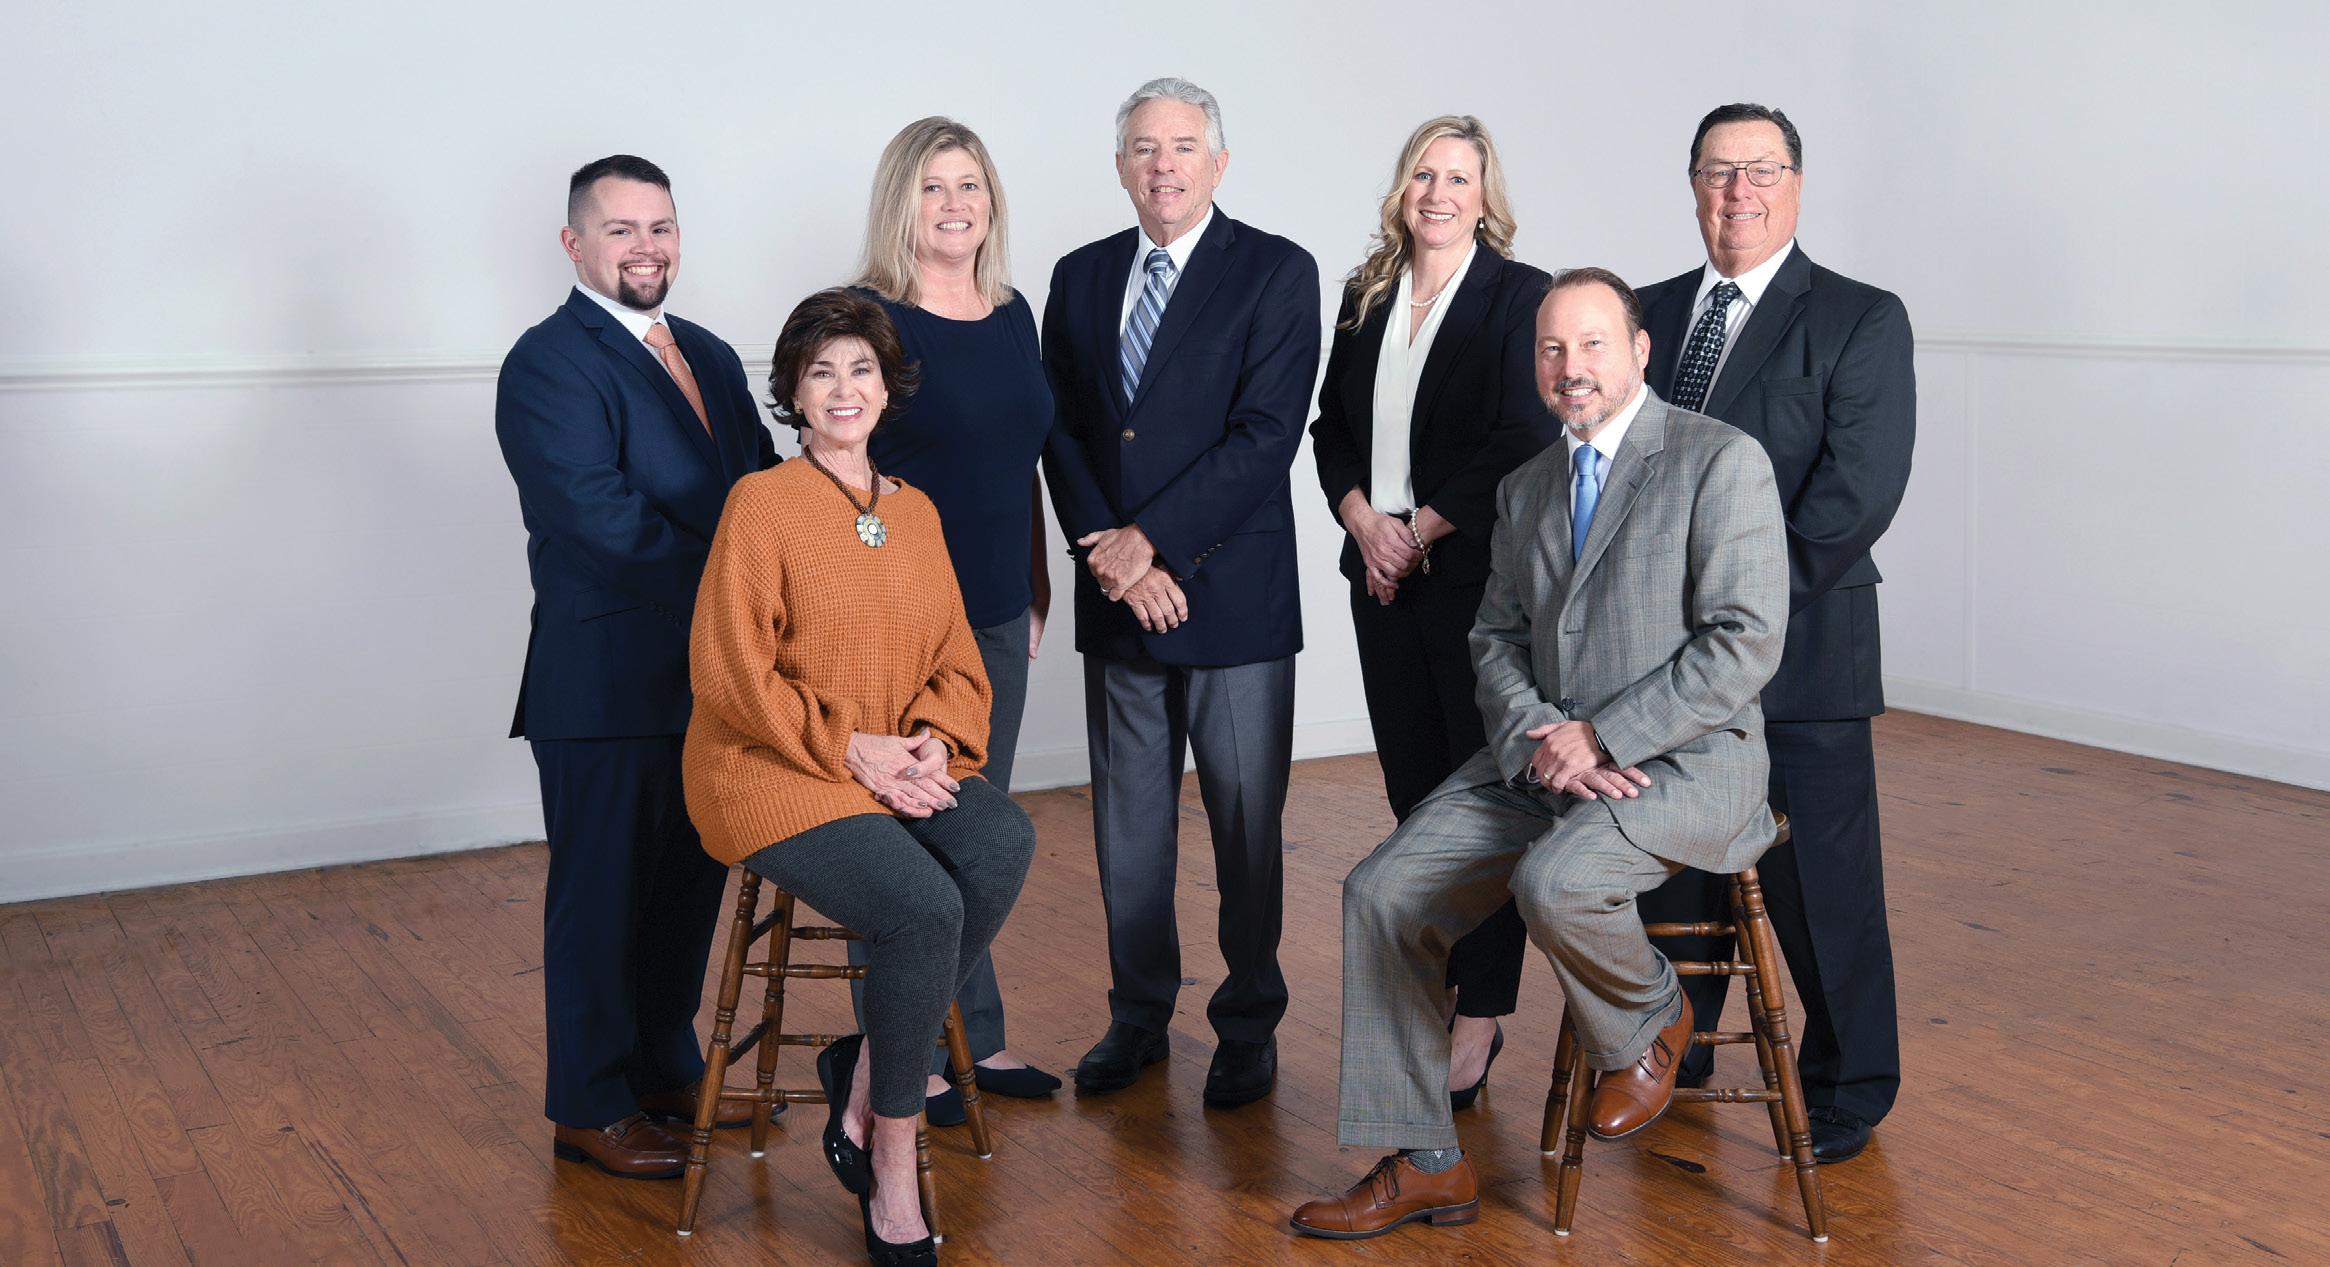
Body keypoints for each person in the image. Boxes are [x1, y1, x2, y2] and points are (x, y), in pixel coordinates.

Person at [1290, 269, 1787, 1240]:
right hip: (1542, 757)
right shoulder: (1525, 487)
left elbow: (1745, 640)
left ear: (1639, 350)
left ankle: (1649, 1016)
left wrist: (1603, 736)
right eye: (1552, 348)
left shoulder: (1718, 461)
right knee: (1380, 892)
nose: (1571, 366)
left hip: (1683, 760)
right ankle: (1426, 1160)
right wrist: (1549, 740)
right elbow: (1495, 640)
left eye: (1592, 343)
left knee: (1554, 883)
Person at [684, 288, 1035, 1263]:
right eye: (822, 371)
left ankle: (869, 1067)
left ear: (888, 388)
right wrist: (852, 748)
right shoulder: (761, 503)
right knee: (923, 906)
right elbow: (730, 672)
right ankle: (890, 1151)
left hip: (887, 760)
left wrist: (931, 741)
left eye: (862, 369)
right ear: (794, 392)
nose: (844, 388)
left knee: (1002, 839)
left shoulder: (914, 512)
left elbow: (957, 660)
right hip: (769, 766)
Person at [1632, 103, 1916, 1164]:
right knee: (1672, 868)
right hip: (1663, 658)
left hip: (1802, 655)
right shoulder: (1645, 313)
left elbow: (1855, 495)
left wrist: (1735, 614)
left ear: (1795, 183)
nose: (1737, 191)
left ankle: (1848, 1086)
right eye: (1718, 171)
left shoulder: (1858, 317)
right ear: (1692, 185)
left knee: (1821, 890)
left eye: (1759, 170)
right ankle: (1677, 1045)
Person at [495, 155, 779, 1181]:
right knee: (601, 900)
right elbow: (602, 521)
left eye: (659, 227)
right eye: (620, 230)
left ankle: (665, 1069)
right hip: (605, 685)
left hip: (709, 683)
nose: (645, 247)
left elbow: (758, 488)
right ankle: (589, 1104)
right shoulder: (546, 363)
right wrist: (744, 595)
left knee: (684, 890)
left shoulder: (707, 351)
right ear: (574, 243)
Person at [1040, 76, 1321, 1108]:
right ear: (1121, 165)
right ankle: (1137, 1014)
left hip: (1231, 598)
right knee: (1128, 827)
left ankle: (1247, 1021)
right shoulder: (1077, 276)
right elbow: (1059, 428)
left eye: (1184, 147)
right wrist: (1112, 557)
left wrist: (1150, 544)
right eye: (1144, 148)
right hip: (1118, 597)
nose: (1164, 166)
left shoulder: (1277, 270)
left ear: (1218, 162)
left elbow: (1264, 436)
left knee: (1245, 827)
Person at [1308, 114, 1559, 1111]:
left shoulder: (1518, 294)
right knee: (1416, 799)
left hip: (1470, 582)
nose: (1438, 192)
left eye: (1458, 176)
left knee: (1483, 803)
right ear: (1400, 188)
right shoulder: (1365, 292)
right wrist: (1366, 524)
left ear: (1484, 195)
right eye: (1423, 173)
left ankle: (1480, 1012)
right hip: (1378, 579)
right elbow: (1329, 429)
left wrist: (1417, 529)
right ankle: (1444, 983)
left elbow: (1520, 432)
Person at [845, 116, 1060, 1121]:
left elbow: (1021, 464)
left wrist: (1037, 586)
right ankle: (900, 1051)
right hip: (899, 623)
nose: (954, 204)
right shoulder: (869, 320)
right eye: (933, 186)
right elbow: (837, 474)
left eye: (969, 184)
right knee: (905, 838)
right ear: (903, 201)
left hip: (997, 611)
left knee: (980, 828)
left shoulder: (1013, 314)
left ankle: (974, 1031)